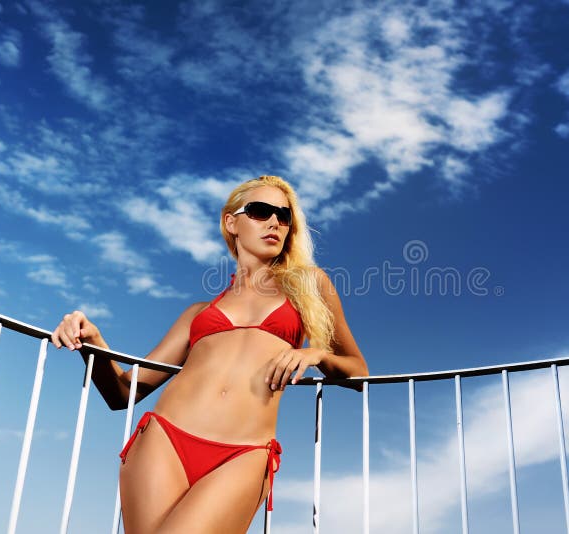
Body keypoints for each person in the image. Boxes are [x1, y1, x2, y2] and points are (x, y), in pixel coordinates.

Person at [51, 175, 368, 533]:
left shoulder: (311, 287)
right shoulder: (197, 313)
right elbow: (123, 392)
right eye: (261, 211)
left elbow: (359, 373)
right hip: (165, 441)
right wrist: (91, 340)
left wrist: (318, 355)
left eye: (284, 215)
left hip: (242, 455)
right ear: (231, 222)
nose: (275, 222)